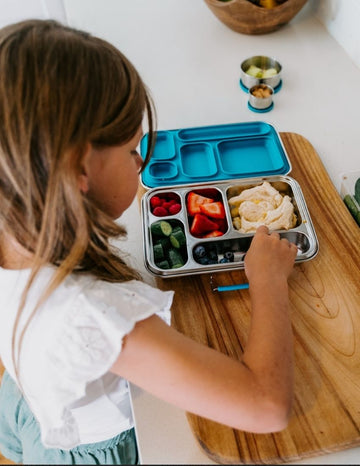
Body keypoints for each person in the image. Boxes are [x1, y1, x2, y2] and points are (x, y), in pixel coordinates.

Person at [0, 19, 298, 465]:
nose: (142, 163)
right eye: (131, 151)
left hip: (30, 394)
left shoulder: (16, 212)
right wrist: (268, 280)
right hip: (96, 445)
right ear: (78, 170)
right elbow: (267, 406)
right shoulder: (91, 318)